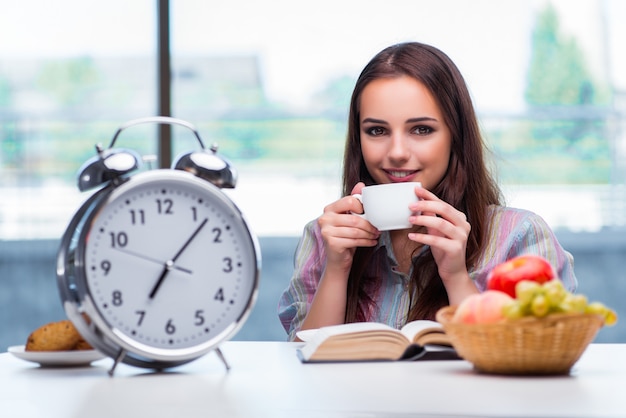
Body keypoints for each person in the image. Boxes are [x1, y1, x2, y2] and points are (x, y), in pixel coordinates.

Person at [278, 42, 577, 341]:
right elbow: (304, 363)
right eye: (377, 131)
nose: (396, 152)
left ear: (455, 137)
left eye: (421, 129)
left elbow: (539, 359)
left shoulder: (519, 236)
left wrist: (456, 276)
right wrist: (337, 268)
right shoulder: (325, 237)